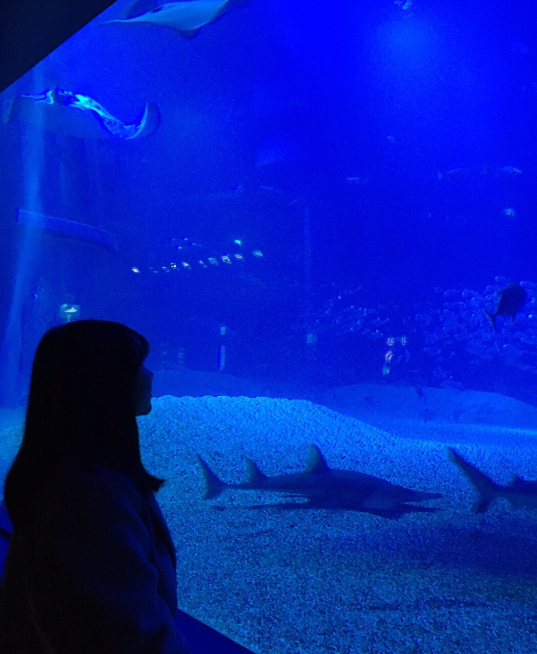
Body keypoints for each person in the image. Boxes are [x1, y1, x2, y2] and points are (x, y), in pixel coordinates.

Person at [0, 319, 191, 653]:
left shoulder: (58, 467)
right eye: (138, 365)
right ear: (104, 382)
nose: (150, 375)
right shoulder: (92, 494)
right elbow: (137, 630)